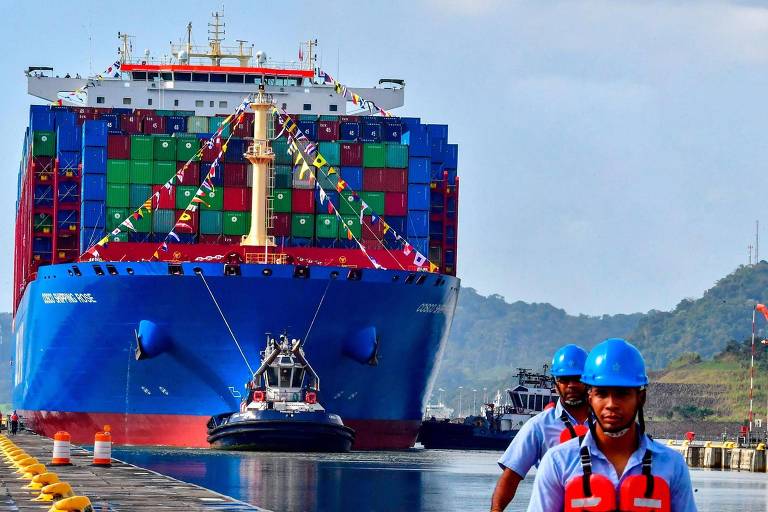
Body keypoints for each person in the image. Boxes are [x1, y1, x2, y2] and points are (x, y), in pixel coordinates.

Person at [527, 338, 697, 512]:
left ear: (641, 398)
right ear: (589, 397)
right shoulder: (558, 462)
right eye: (602, 393)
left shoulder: (672, 465)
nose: (611, 404)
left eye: (622, 394)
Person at [490, 344, 590, 511]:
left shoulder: (605, 424)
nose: (571, 385)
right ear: (555, 383)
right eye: (564, 379)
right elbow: (510, 477)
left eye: (577, 378)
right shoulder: (538, 426)